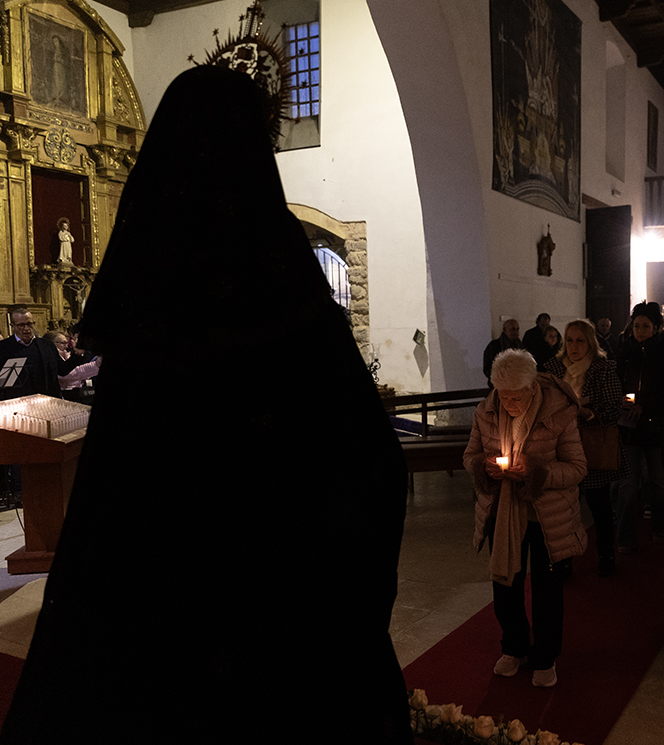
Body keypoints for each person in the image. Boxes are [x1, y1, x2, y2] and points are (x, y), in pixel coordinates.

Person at [0, 66, 412, 744]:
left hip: (152, 617)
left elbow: (118, 478)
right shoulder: (276, 267)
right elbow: (366, 462)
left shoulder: (148, 277)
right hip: (281, 613)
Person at [465, 349, 587, 688]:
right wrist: (484, 467)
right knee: (506, 585)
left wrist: (536, 472)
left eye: (516, 397)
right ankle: (514, 646)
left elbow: (578, 468)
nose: (509, 404)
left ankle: (545, 657)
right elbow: (470, 455)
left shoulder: (558, 413)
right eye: (503, 396)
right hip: (502, 513)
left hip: (547, 517)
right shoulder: (486, 410)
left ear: (532, 388)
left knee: (547, 590)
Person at [543, 320, 628, 577]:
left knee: (599, 506)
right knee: (565, 509)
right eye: (569, 340)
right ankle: (563, 559)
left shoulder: (602, 368)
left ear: (590, 342)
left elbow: (614, 408)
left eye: (580, 341)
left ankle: (606, 554)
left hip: (590, 445)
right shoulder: (553, 369)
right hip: (561, 448)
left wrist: (587, 412)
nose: (573, 346)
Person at [616, 301, 664, 551]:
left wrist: (645, 406)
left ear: (656, 328)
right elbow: (617, 382)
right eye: (636, 326)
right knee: (628, 485)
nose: (640, 331)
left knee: (658, 482)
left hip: (656, 426)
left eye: (646, 326)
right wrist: (623, 400)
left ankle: (662, 528)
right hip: (629, 427)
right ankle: (624, 537)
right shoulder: (625, 351)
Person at [0, 307, 61, 400]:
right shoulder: (3, 347)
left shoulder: (46, 344)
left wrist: (78, 354)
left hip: (45, 400)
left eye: (29, 324)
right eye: (21, 325)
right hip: (16, 403)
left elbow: (62, 369)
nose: (26, 328)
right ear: (13, 326)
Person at [484, 318, 523, 385]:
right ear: (505, 330)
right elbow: (488, 368)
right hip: (499, 385)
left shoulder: (522, 347)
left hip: (519, 384)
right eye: (512, 329)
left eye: (517, 329)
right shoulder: (494, 346)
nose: (516, 332)